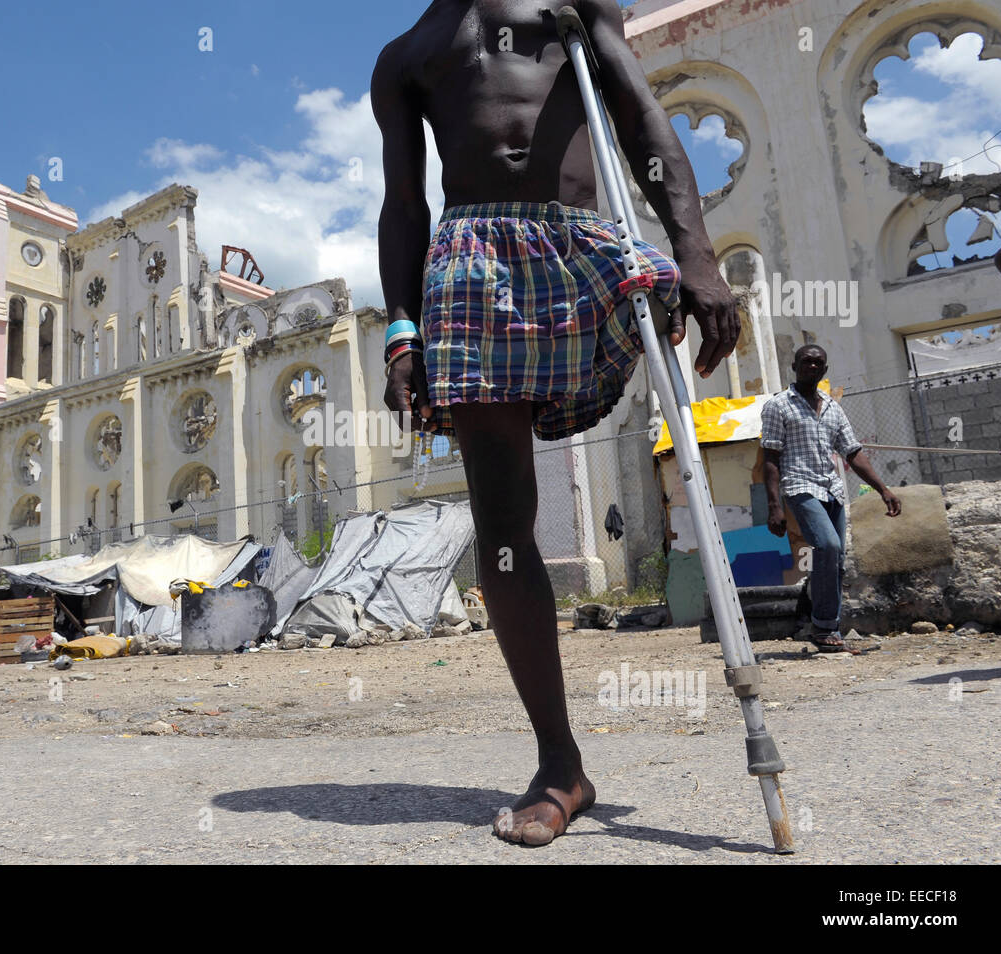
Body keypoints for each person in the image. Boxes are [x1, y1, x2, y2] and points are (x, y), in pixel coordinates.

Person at [374, 0, 740, 847]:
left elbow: (641, 116)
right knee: (503, 525)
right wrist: (401, 330)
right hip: (467, 264)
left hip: (580, 242)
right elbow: (403, 203)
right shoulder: (406, 55)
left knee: (663, 315)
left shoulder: (568, 5)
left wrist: (696, 252)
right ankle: (560, 764)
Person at [761, 345, 901, 651]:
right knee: (827, 544)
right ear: (795, 365)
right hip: (799, 486)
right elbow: (770, 457)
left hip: (832, 489)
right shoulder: (779, 406)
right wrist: (774, 505)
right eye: (806, 361)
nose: (812, 366)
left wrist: (883, 490)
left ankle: (828, 630)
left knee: (835, 559)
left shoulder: (832, 407)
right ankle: (823, 627)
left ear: (825, 370)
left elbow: (853, 452)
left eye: (818, 363)